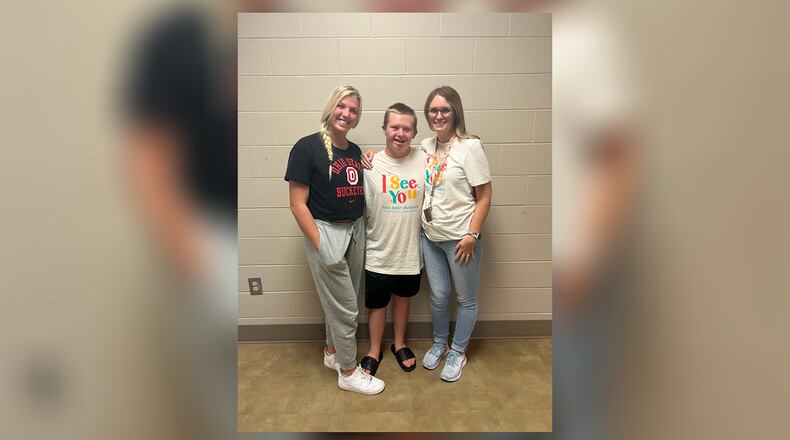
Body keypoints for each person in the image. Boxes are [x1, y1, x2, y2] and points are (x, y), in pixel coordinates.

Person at [284, 85, 385, 395]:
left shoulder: (354, 151)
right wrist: (320, 244)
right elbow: (297, 203)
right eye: (342, 106)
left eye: (353, 110)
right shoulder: (306, 147)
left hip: (355, 230)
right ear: (330, 108)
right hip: (325, 231)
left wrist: (367, 157)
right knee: (345, 309)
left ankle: (331, 352)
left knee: (346, 299)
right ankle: (349, 371)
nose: (347, 113)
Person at [419, 86, 492, 382]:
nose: (438, 115)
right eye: (433, 110)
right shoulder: (425, 146)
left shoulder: (470, 147)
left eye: (444, 110)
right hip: (430, 237)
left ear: (455, 112)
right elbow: (399, 162)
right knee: (438, 296)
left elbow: (485, 196)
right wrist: (370, 156)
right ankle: (440, 342)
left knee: (466, 299)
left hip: (461, 240)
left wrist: (472, 235)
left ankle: (458, 351)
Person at [360, 103, 426, 376]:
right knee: (377, 305)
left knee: (403, 299)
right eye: (394, 127)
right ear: (384, 129)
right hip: (378, 250)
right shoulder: (369, 164)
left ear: (414, 132)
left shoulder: (424, 159)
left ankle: (399, 344)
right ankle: (374, 348)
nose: (400, 133)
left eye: (406, 128)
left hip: (410, 251)